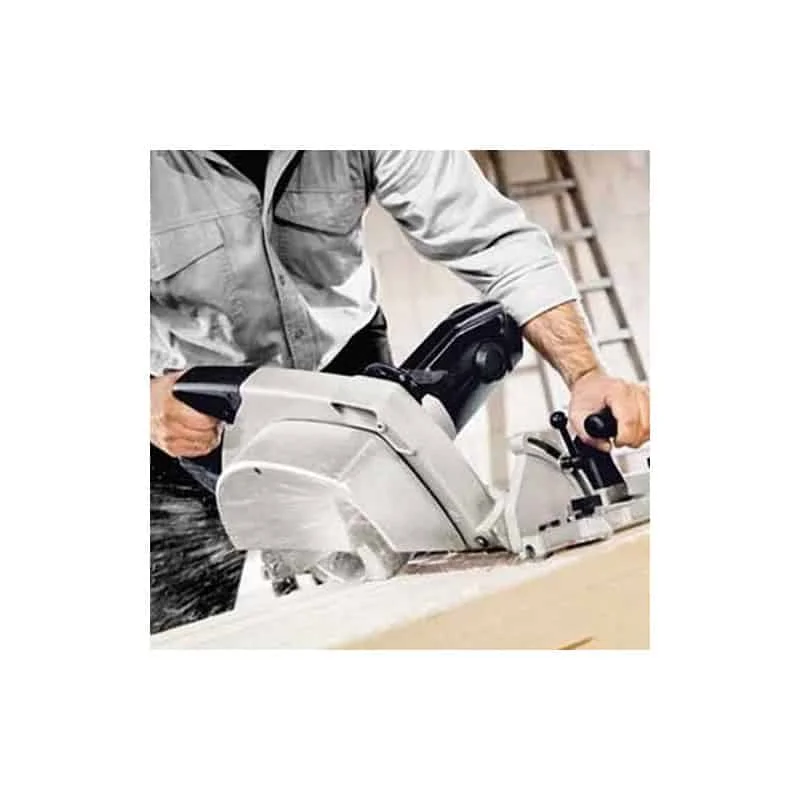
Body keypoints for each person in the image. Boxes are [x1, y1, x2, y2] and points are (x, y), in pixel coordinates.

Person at [149, 150, 650, 634]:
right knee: (170, 623)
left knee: (398, 599)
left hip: (345, 375)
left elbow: (495, 242)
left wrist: (586, 374)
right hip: (181, 404)